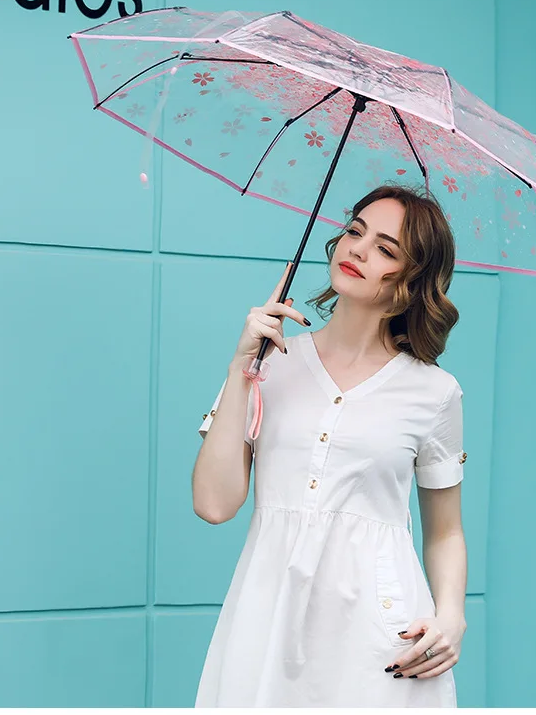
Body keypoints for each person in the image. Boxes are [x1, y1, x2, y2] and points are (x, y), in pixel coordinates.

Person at [192, 184, 468, 707]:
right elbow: (214, 504)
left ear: (413, 281)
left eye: (386, 249)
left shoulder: (435, 393)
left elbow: (446, 530)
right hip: (267, 617)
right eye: (354, 231)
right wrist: (240, 368)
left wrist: (451, 617)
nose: (358, 249)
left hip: (383, 632)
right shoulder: (268, 364)